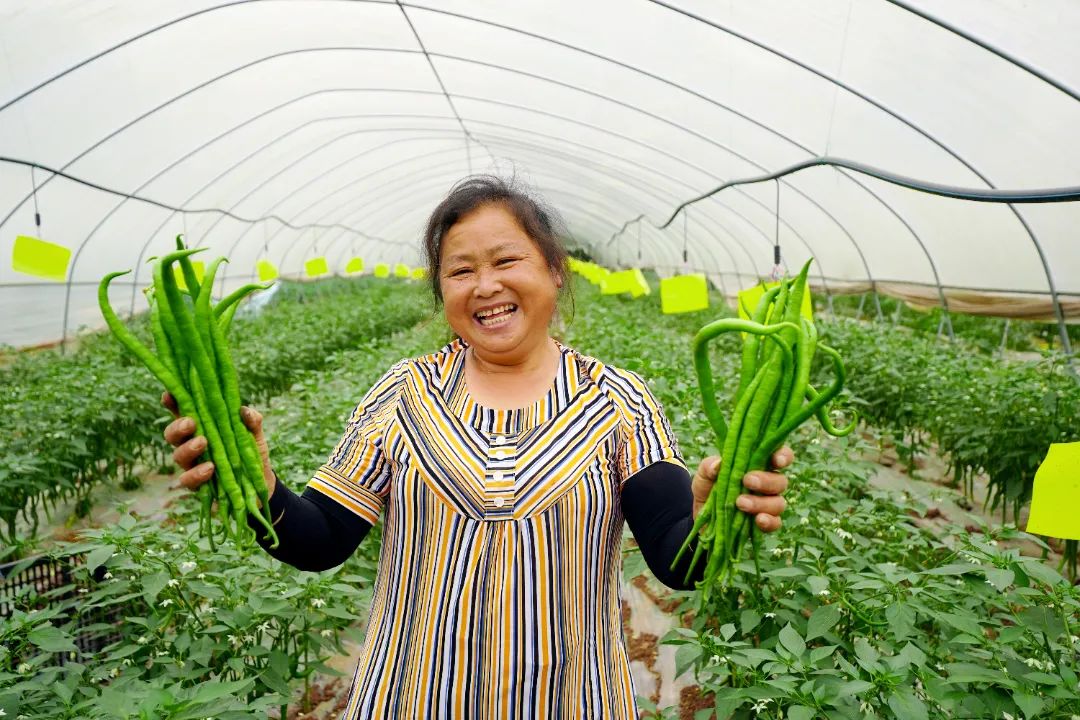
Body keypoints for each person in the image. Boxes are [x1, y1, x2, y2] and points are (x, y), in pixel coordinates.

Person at [162, 176, 792, 719]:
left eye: (505, 261)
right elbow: (319, 539)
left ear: (554, 270)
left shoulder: (618, 403)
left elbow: (678, 560)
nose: (484, 285)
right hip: (409, 697)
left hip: (571, 698)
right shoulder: (404, 395)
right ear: (442, 294)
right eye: (460, 270)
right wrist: (255, 482)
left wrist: (714, 516)